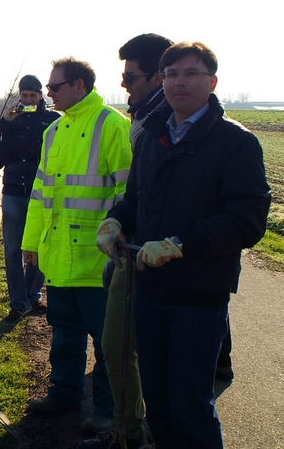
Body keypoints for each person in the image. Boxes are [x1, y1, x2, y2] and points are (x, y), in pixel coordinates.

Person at [97, 42, 270, 448]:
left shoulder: (236, 143)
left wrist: (179, 244)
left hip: (198, 296)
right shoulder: (152, 136)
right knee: (158, 401)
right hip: (150, 290)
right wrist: (116, 221)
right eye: (172, 74)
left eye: (191, 74)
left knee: (190, 406)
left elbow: (246, 221)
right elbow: (136, 200)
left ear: (211, 82)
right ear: (163, 80)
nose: (180, 82)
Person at [22, 58, 132, 434]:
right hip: (59, 256)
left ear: (79, 85)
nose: (48, 93)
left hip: (97, 259)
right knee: (64, 330)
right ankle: (65, 393)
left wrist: (118, 237)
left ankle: (107, 409)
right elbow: (40, 193)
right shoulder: (53, 130)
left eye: (54, 87)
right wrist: (30, 243)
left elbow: (127, 191)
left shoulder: (112, 125)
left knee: (107, 342)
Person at [80, 33, 173, 449]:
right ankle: (129, 433)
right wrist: (117, 222)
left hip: (160, 255)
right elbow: (134, 192)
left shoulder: (168, 124)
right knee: (117, 346)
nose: (124, 85)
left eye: (131, 77)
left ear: (157, 77)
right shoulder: (145, 118)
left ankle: (144, 433)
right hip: (132, 247)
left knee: (152, 355)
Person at [0, 74, 60, 321]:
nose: (29, 99)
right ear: (20, 96)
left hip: (40, 193)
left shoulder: (52, 120)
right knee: (12, 250)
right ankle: (18, 302)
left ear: (41, 96)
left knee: (39, 247)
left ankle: (34, 295)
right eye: (24, 95)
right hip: (13, 191)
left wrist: (19, 143)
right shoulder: (13, 120)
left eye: (33, 95)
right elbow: (1, 152)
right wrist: (6, 124)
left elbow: (40, 148)